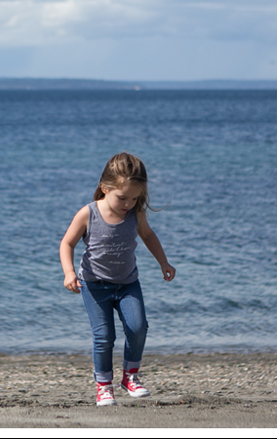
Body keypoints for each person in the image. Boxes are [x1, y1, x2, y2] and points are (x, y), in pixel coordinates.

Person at [59, 152, 176, 407]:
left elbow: (148, 236)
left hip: (127, 284)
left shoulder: (136, 214)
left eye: (134, 198)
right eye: (122, 198)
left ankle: (130, 376)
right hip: (94, 285)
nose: (128, 204)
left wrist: (163, 262)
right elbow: (67, 243)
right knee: (104, 336)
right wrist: (69, 272)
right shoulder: (88, 213)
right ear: (105, 188)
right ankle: (103, 386)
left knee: (137, 327)